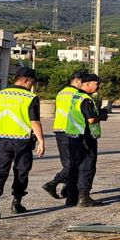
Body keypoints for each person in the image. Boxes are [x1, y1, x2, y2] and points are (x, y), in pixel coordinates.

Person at [0, 67, 45, 219]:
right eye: (32, 82)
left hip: (0, 139)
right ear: (26, 81)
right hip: (21, 141)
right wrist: (41, 141)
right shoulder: (30, 97)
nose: (33, 85)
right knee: (21, 171)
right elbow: (34, 122)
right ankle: (16, 203)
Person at [64, 73, 108, 207]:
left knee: (74, 167)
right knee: (87, 168)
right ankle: (84, 197)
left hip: (73, 136)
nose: (99, 87)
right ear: (88, 84)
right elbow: (91, 119)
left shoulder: (75, 96)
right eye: (97, 84)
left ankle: (71, 197)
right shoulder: (86, 100)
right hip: (85, 138)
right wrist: (101, 116)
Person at [42, 69, 86, 199]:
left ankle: (67, 188)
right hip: (71, 129)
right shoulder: (77, 94)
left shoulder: (61, 92)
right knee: (73, 163)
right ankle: (53, 183)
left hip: (59, 129)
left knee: (69, 161)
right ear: (76, 81)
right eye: (83, 82)